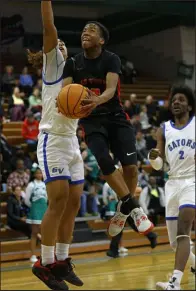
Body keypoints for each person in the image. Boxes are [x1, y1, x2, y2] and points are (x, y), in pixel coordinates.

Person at [63, 21, 153, 237]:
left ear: (101, 40)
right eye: (83, 29)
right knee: (104, 161)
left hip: (116, 118)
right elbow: (65, 92)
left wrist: (97, 100)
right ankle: (134, 209)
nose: (86, 32)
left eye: (91, 30)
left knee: (130, 168)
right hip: (91, 121)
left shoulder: (111, 59)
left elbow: (111, 89)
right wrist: (67, 103)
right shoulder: (72, 63)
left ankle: (122, 212)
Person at [27, 1, 84, 290]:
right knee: (58, 200)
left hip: (72, 141)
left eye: (63, 44)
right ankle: (45, 263)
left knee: (74, 202)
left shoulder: (73, 76)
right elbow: (49, 26)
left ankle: (62, 260)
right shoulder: (53, 65)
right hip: (52, 140)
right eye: (57, 43)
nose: (61, 45)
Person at [148, 85, 195, 290]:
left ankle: (174, 282)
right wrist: (154, 159)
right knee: (175, 242)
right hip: (172, 182)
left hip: (192, 181)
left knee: (184, 230)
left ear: (190, 106)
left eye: (181, 99)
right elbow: (160, 165)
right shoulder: (163, 129)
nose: (176, 102)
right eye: (174, 99)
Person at [25, 167, 48, 263]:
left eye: (41, 173)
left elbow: (47, 198)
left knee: (44, 234)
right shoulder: (31, 185)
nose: (39, 175)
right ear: (34, 175)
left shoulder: (45, 184)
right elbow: (26, 200)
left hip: (44, 209)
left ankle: (45, 255)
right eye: (38, 173)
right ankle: (33, 255)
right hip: (34, 210)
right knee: (34, 233)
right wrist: (34, 207)